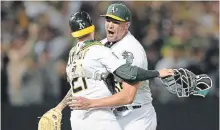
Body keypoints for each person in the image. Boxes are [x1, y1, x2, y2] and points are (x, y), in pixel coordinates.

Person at [53, 11, 173, 130]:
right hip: (98, 115)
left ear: (72, 33)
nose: (110, 25)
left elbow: (76, 87)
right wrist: (157, 73)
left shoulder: (73, 53)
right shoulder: (98, 50)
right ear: (92, 27)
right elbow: (130, 74)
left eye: (115, 22)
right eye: (108, 21)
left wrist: (59, 107)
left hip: (79, 117)